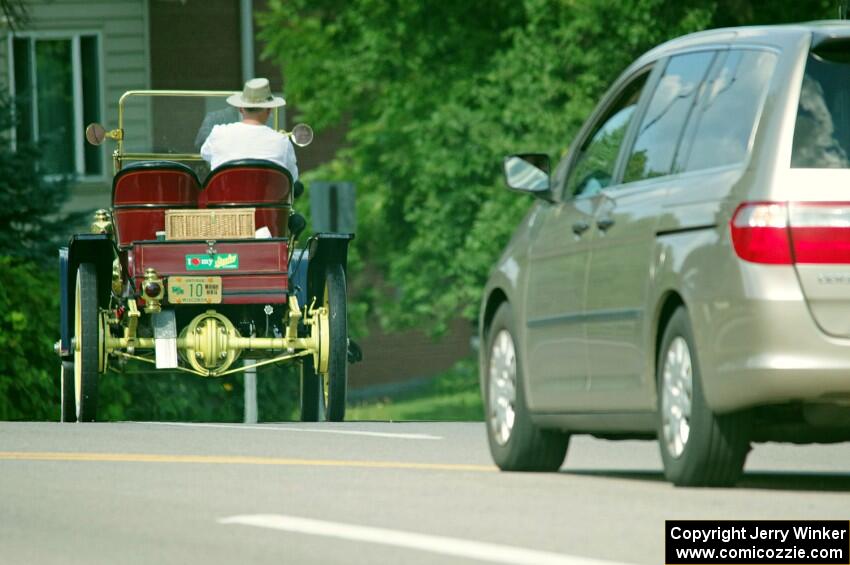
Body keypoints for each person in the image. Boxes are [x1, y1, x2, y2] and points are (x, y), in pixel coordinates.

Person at [200, 77, 299, 179]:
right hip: (266, 195)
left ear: (240, 108)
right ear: (269, 110)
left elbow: (205, 154)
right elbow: (292, 179)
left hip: (225, 194)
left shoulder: (218, 133)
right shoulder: (282, 141)